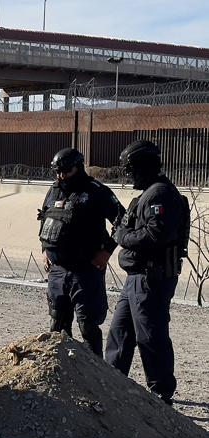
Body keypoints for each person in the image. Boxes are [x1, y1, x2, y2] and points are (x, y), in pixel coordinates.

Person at [106, 140, 187, 406]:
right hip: (136, 278)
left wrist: (121, 236)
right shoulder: (148, 194)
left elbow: (155, 235)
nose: (127, 175)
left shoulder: (159, 194)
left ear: (142, 167)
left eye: (129, 169)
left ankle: (161, 395)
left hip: (151, 278)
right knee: (120, 333)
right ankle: (111, 385)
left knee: (150, 336)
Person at [38, 148, 124, 356]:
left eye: (66, 171)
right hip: (57, 270)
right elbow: (45, 219)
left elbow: (123, 220)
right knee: (57, 326)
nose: (61, 176)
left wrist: (107, 251)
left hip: (85, 271)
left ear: (79, 167)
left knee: (88, 326)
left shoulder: (95, 190)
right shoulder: (54, 190)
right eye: (58, 172)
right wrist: (45, 250)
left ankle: (95, 374)